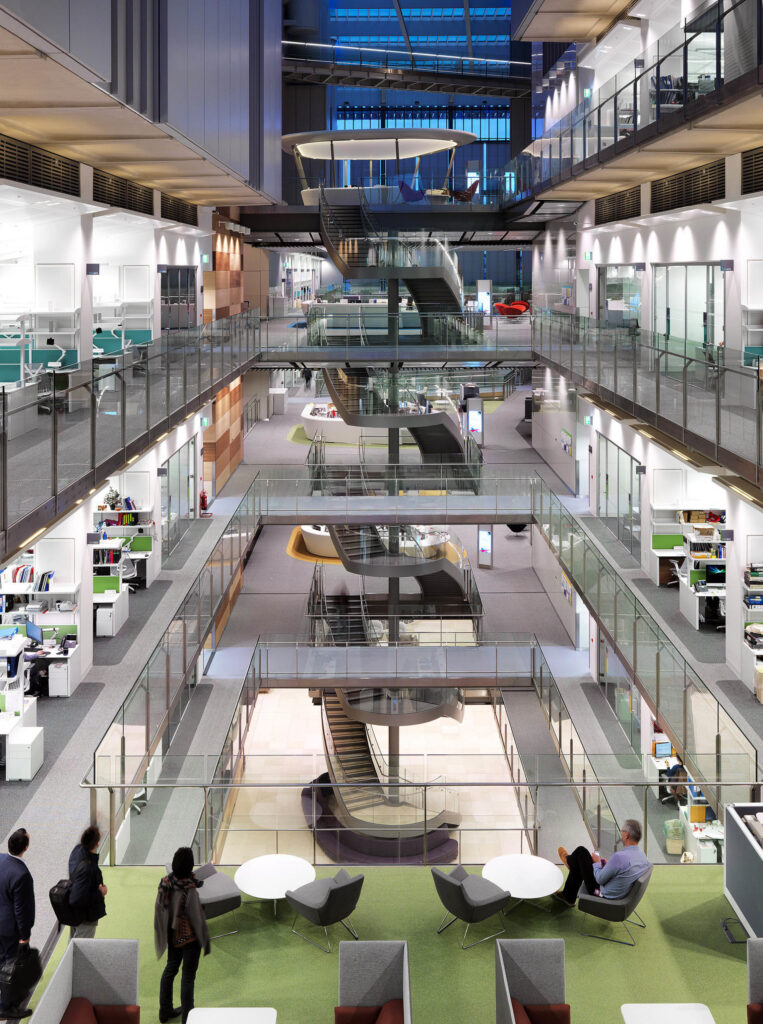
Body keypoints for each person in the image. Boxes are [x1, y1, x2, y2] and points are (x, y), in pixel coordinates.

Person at [154, 848, 210, 1024]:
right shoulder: (189, 889)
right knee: (188, 977)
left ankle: (165, 1010)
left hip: (172, 935)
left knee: (170, 969)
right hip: (190, 939)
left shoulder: (166, 882)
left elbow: (160, 909)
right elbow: (195, 916)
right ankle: (188, 1018)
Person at [554, 819, 651, 908]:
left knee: (581, 852)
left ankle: (570, 862)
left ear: (627, 835)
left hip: (601, 893)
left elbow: (599, 879)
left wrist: (597, 862)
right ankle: (568, 894)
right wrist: (608, 865)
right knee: (584, 859)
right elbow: (624, 870)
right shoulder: (643, 857)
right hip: (619, 892)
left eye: (622, 831)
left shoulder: (620, 857)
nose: (620, 833)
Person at [0, 829, 35, 1020]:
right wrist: (25, 935)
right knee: (9, 964)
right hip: (9, 929)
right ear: (26, 847)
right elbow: (22, 910)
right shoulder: (22, 874)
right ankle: (6, 1006)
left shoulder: (1, 859)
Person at [67, 826, 107, 939]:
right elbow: (76, 899)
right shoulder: (89, 869)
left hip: (75, 915)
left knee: (72, 947)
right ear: (97, 844)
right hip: (86, 918)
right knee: (81, 949)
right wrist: (100, 893)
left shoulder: (77, 851)